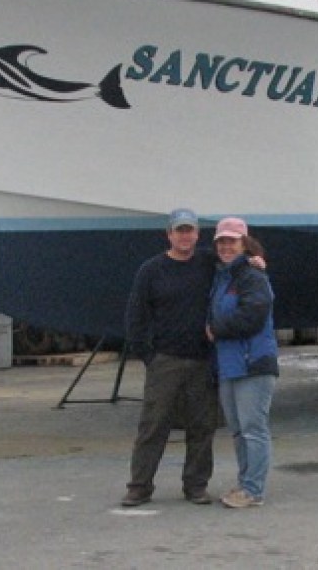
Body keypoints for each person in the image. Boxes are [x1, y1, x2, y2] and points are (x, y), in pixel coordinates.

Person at [121, 208, 219, 507]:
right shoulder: (151, 270)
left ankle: (196, 486)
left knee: (202, 427)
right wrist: (149, 356)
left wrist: (256, 262)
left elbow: (236, 262)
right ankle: (139, 487)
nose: (185, 235)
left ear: (197, 235)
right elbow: (135, 316)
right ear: (169, 234)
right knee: (153, 426)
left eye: (190, 230)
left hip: (202, 359)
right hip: (165, 360)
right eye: (180, 230)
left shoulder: (207, 263)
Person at [206, 217, 279, 509]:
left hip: (253, 364)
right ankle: (245, 482)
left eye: (232, 241)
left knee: (253, 428)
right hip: (230, 365)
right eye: (221, 241)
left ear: (244, 244)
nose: (226, 246)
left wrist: (216, 329)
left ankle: (253, 489)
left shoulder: (252, 276)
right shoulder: (222, 277)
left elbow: (255, 314)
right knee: (238, 429)